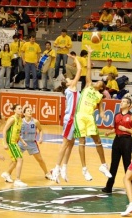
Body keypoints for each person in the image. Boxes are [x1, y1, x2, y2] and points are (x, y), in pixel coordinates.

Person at [74, 45, 112, 181]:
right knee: (82, 141)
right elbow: (88, 69)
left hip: (89, 117)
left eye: (99, 82)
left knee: (98, 141)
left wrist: (102, 114)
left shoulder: (99, 96)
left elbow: (101, 109)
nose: (96, 81)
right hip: (80, 117)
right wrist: (89, 53)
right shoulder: (88, 85)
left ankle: (103, 165)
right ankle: (84, 169)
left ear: (101, 87)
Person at [51, 54, 82, 183]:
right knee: (65, 144)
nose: (71, 79)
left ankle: (64, 167)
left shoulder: (73, 89)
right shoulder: (71, 88)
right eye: (69, 79)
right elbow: (80, 70)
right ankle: (56, 169)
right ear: (68, 84)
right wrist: (75, 59)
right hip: (70, 118)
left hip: (74, 118)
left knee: (71, 143)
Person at [102, 97, 132, 193]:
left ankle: (130, 187)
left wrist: (125, 130)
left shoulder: (131, 116)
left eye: (124, 101)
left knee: (127, 164)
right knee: (114, 164)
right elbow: (115, 128)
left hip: (127, 141)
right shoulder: (116, 115)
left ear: (128, 105)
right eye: (121, 101)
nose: (121, 102)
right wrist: (109, 132)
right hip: (117, 140)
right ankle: (109, 187)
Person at [18, 107, 52, 180]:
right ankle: (8, 174)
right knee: (15, 160)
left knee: (40, 159)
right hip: (21, 143)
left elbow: (40, 130)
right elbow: (17, 132)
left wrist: (40, 138)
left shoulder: (35, 121)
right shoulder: (20, 121)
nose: (30, 112)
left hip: (32, 143)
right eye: (28, 111)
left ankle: (47, 173)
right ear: (24, 113)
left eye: (31, 111)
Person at [1, 104, 27, 187]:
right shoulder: (12, 119)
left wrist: (22, 141)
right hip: (10, 142)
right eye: (19, 108)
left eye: (21, 108)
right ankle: (17, 180)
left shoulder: (20, 120)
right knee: (20, 159)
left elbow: (17, 132)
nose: (20, 110)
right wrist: (4, 143)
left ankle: (7, 173)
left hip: (14, 142)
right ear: (14, 110)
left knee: (15, 161)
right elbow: (4, 130)